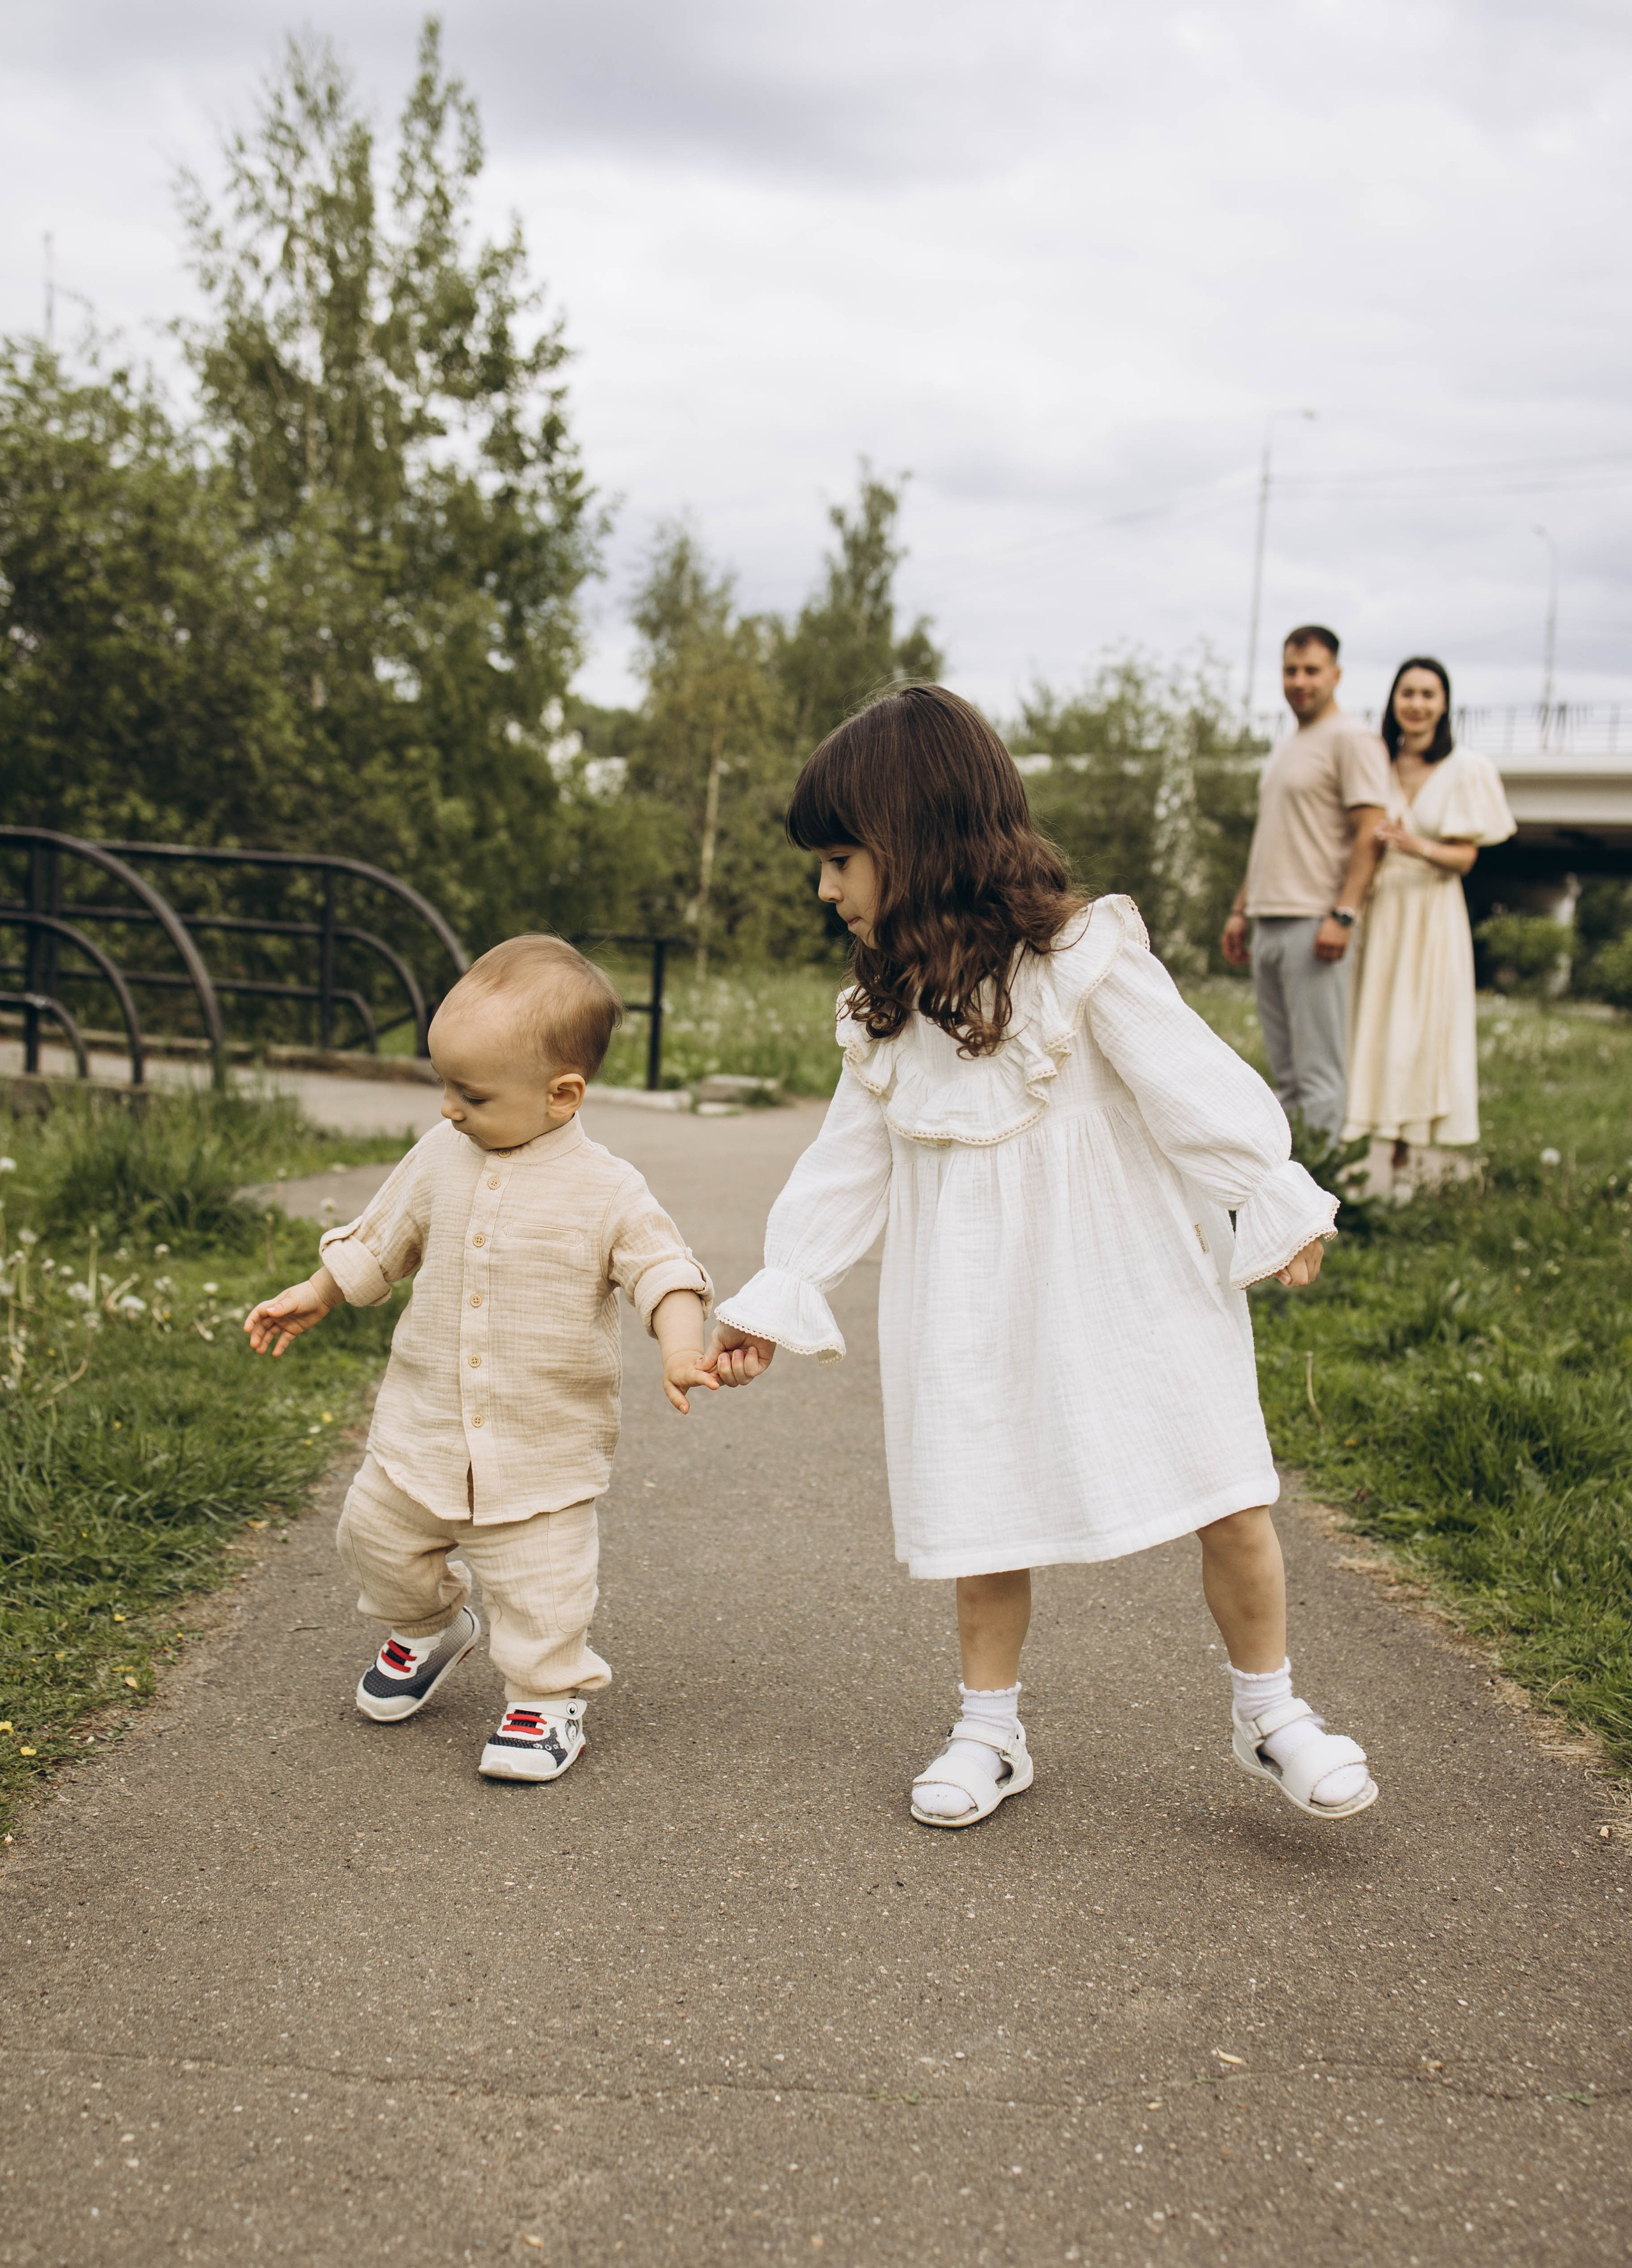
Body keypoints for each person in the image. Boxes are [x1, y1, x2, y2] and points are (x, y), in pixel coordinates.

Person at [703, 685, 1377, 1830]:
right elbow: (844, 1167)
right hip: (972, 1299)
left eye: (839, 859)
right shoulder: (883, 1020)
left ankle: (1271, 1713)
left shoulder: (1081, 960)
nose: (826, 889)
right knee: (983, 1505)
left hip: (1131, 1277)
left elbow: (1188, 1075)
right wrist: (785, 1289)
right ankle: (989, 1731)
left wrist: (1267, 1192)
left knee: (1226, 1485)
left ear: (914, 844)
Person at [243, 936, 718, 1783]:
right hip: (422, 1431)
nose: (450, 1110)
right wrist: (318, 1290)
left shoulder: (607, 1189)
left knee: (541, 1590)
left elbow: (661, 1268)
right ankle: (431, 1625)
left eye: (472, 1094)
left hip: (541, 1446)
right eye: (443, 1088)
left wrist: (681, 1345)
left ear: (563, 1094)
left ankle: (546, 1697)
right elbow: (384, 1236)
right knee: (374, 1539)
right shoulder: (441, 1155)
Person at [1344, 657, 1515, 1164]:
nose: (1416, 705)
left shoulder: (1466, 768)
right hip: (1382, 907)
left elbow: (1465, 858)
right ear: (1394, 702)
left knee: (1421, 1019)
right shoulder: (1378, 765)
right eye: (1408, 694)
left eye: (1427, 695)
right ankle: (1358, 1139)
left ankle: (1407, 1142)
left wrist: (1412, 845)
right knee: (1369, 1015)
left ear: (1443, 705)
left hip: (1431, 908)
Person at [1221, 627, 1388, 1143]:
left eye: (1312, 671)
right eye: (1291, 671)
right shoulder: (1289, 744)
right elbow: (1273, 835)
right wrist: (1239, 909)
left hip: (1315, 921)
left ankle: (1330, 1201)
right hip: (1269, 918)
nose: (1300, 682)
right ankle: (1294, 1205)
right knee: (1286, 1078)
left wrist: (1344, 914)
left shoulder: (1351, 738)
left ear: (1335, 674)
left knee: (1318, 1075)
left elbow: (1373, 833)